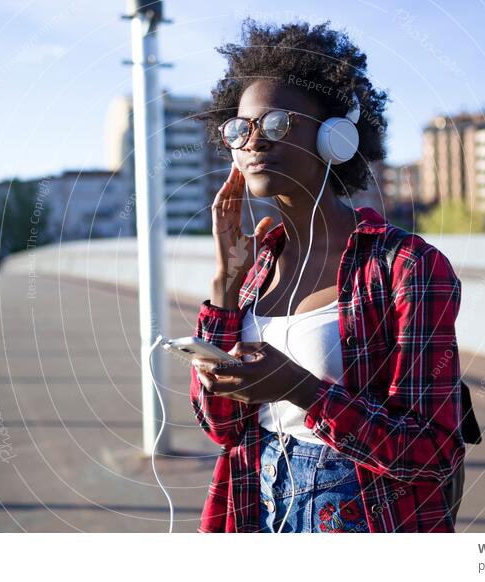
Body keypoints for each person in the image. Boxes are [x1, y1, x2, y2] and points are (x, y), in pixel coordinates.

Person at [189, 19, 465, 533]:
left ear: (336, 136)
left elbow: (431, 453)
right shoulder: (255, 272)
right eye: (239, 128)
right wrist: (225, 286)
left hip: (364, 517)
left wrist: (301, 390)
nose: (251, 141)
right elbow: (222, 428)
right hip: (258, 509)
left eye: (274, 123)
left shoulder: (406, 266)